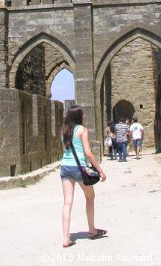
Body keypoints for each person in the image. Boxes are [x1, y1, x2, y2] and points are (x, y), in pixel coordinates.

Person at [60, 105, 107, 248]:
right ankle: (92, 230)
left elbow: (64, 150)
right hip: (79, 168)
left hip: (65, 167)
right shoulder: (82, 130)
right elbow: (88, 153)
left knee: (67, 202)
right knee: (90, 197)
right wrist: (100, 171)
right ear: (78, 117)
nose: (85, 116)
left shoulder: (63, 131)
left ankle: (66, 238)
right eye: (83, 114)